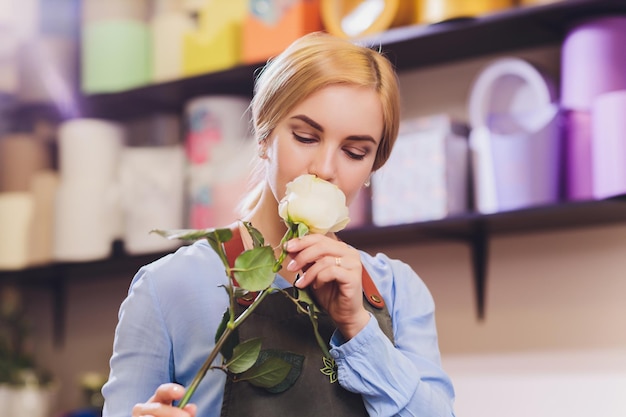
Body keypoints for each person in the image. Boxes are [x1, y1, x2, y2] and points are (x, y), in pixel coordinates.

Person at [102, 31, 456, 417]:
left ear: (373, 166)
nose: (324, 169)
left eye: (355, 152)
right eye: (305, 137)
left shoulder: (397, 291)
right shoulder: (167, 287)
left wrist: (358, 327)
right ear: (264, 134)